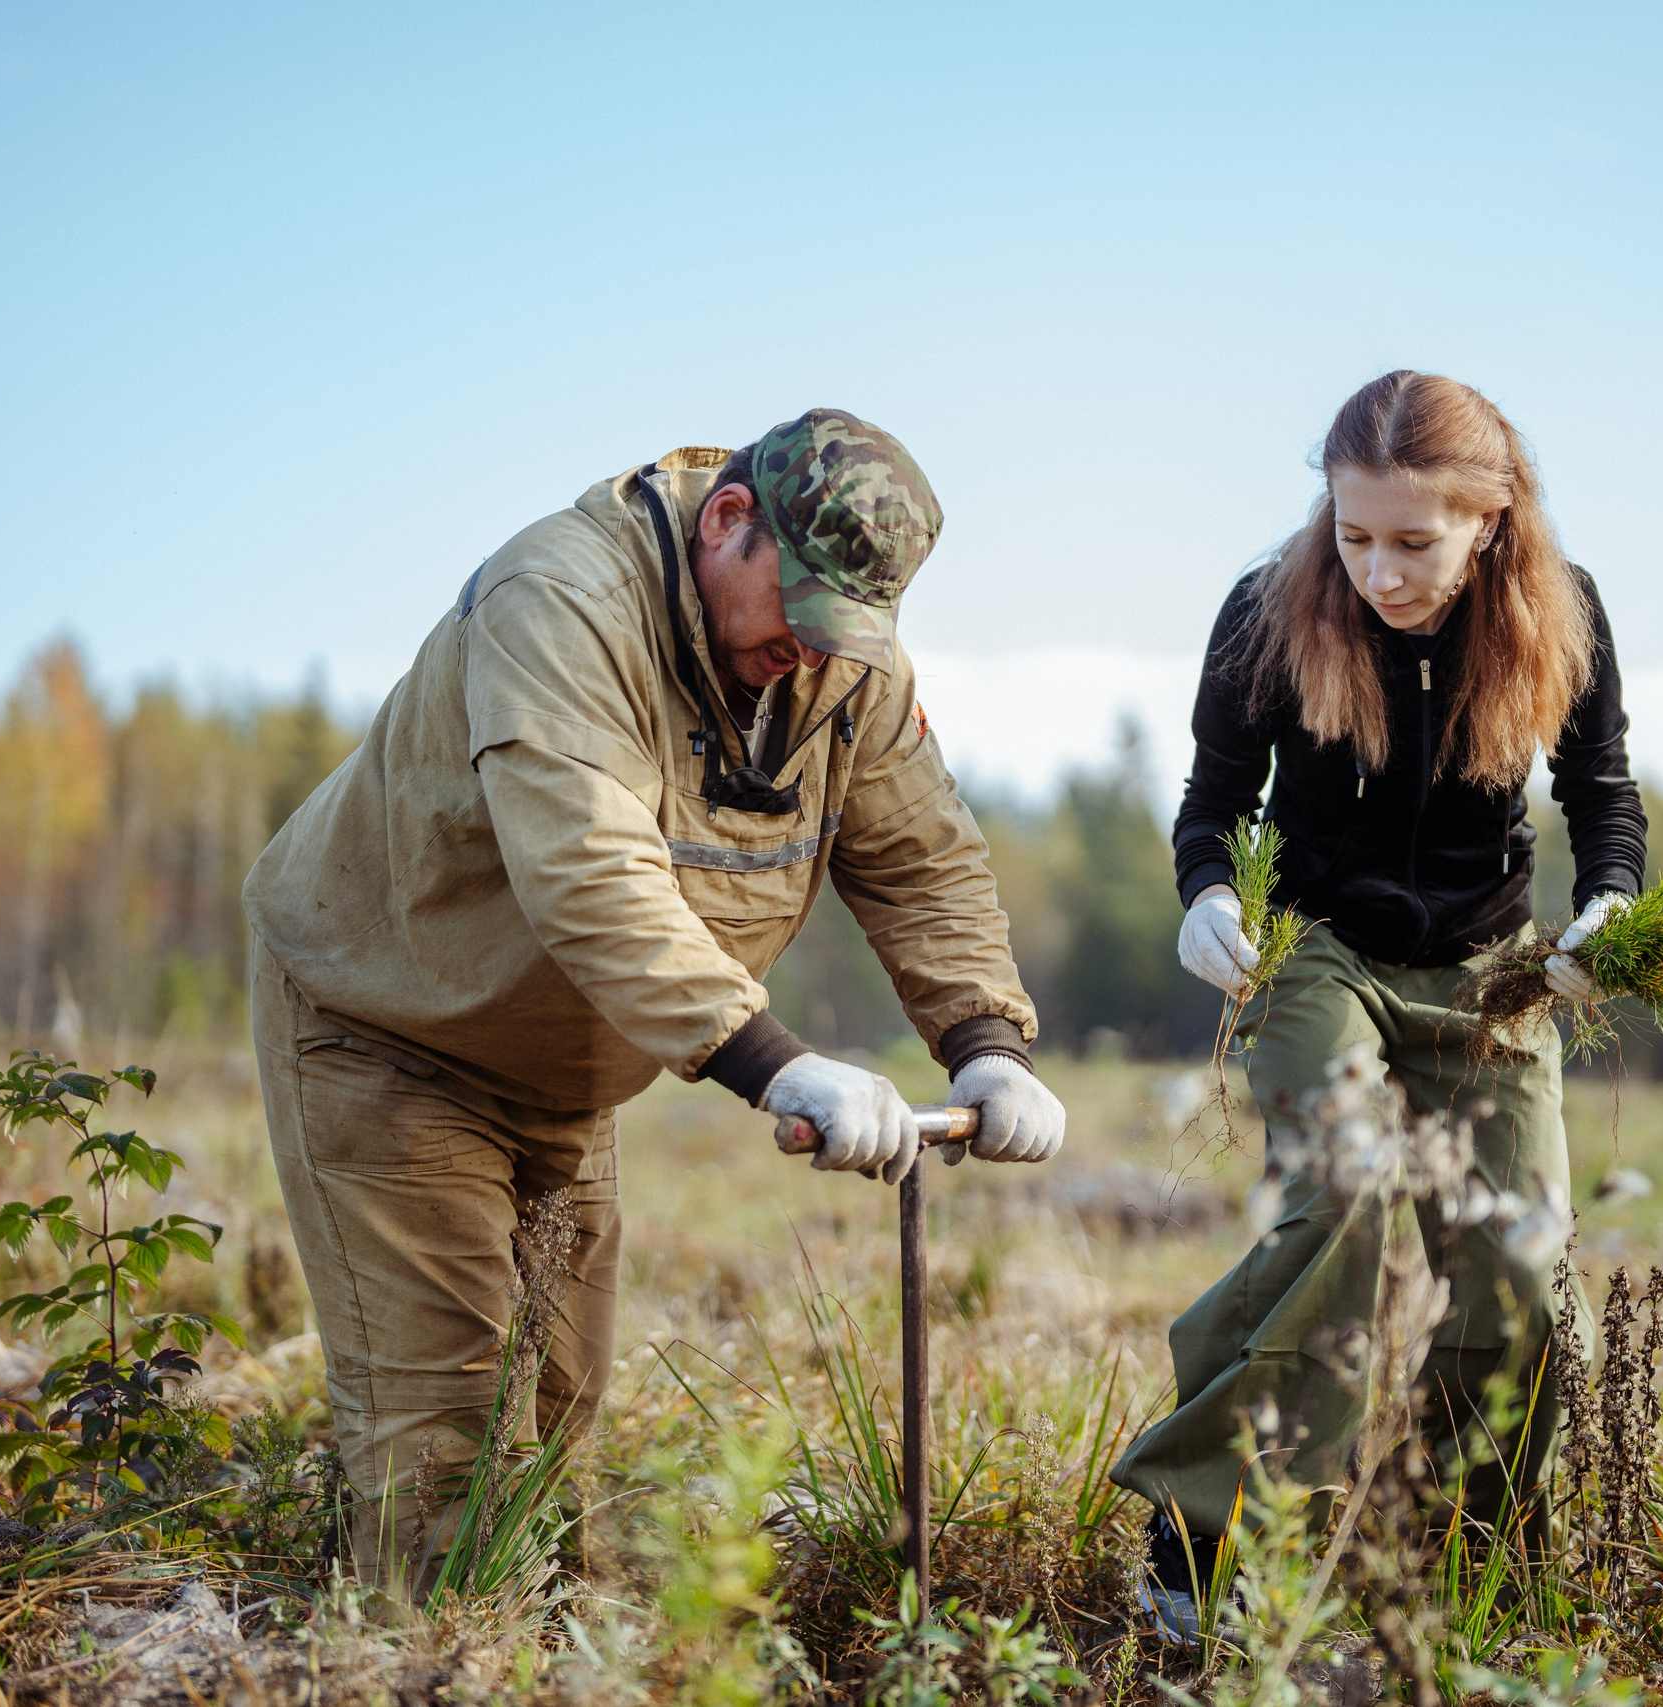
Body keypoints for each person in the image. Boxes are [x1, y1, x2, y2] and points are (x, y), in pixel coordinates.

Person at [243, 409, 1067, 1575]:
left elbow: (920, 859)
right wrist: (775, 1063)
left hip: (564, 1072)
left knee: (554, 1437)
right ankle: (415, 1650)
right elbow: (591, 874)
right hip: (390, 1031)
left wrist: (987, 1041)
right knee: (442, 1440)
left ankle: (543, 1648)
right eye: (799, 614)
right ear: (728, 520)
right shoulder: (562, 600)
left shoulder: (845, 665)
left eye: (843, 632)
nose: (813, 655)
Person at [1109, 370, 1646, 1628]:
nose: (1379, 572)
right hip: (1318, 948)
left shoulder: (1561, 613)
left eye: (1414, 542)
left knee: (1520, 1269)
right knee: (1339, 1208)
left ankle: (1466, 1558)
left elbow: (1602, 793)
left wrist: (1608, 905)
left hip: (1488, 967)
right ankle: (1208, 1541)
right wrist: (1206, 895)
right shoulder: (1268, 611)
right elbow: (1211, 802)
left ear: (1489, 521)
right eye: (1355, 536)